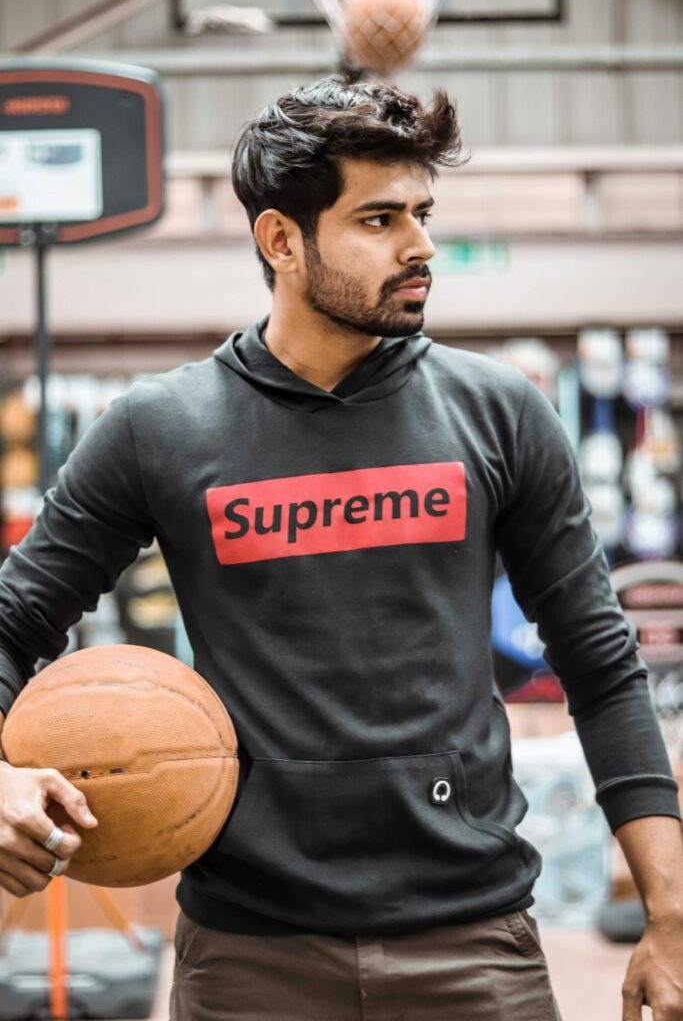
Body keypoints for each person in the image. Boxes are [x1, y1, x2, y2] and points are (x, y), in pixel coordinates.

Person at [0, 76, 682, 1021]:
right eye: (379, 219)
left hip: (475, 945)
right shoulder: (160, 429)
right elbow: (12, 621)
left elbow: (602, 669)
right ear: (281, 240)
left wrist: (670, 914)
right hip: (247, 958)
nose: (420, 245)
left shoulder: (498, 413)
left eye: (422, 212)